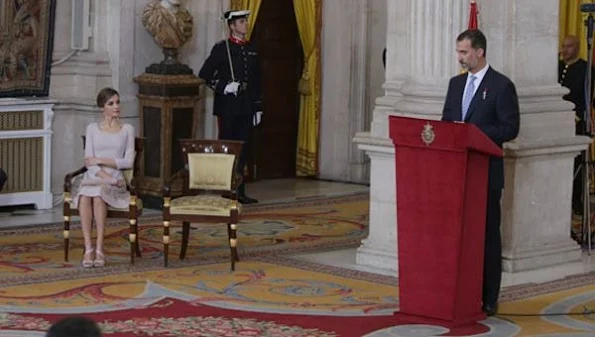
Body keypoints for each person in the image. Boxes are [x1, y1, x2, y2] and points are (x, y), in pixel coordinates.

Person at [441, 29, 520, 316]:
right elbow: (446, 123)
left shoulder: (501, 86)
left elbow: (510, 128)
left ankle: (488, 297)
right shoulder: (455, 84)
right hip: (457, 174)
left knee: (487, 234)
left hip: (486, 174)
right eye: (458, 52)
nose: (460, 57)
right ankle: (459, 291)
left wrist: (472, 133)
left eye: (464, 52)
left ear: (480, 52)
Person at [198, 9, 262, 204]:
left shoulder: (252, 49)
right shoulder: (221, 48)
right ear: (232, 26)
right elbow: (204, 74)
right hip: (227, 106)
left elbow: (258, 80)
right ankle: (226, 189)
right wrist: (224, 86)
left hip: (246, 104)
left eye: (245, 21)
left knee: (243, 148)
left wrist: (258, 106)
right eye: (241, 22)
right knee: (228, 147)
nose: (245, 25)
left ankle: (239, 190)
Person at [70, 87, 135, 268]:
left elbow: (128, 161)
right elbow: (89, 162)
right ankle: (88, 247)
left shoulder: (127, 129)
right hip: (95, 175)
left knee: (98, 195)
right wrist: (105, 174)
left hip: (116, 179)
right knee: (84, 196)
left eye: (117, 102)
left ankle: (99, 248)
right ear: (102, 107)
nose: (116, 107)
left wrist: (101, 160)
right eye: (111, 103)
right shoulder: (92, 128)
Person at [558, 35, 595, 216]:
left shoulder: (586, 69)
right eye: (563, 46)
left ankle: (576, 202)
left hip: (576, 122)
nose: (565, 50)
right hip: (556, 122)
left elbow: (588, 98)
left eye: (569, 47)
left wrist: (578, 116)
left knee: (576, 165)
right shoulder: (557, 67)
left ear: (578, 47)